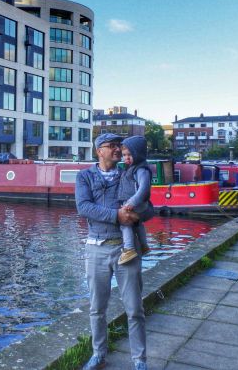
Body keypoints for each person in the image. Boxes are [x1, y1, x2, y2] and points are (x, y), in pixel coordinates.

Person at [75, 133, 147, 370]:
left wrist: (137, 216)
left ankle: (140, 361)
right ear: (99, 151)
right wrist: (117, 215)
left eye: (119, 145)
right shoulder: (84, 176)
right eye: (112, 146)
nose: (118, 149)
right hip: (96, 248)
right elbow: (83, 207)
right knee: (97, 309)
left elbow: (149, 207)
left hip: (127, 249)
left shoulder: (131, 172)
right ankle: (99, 355)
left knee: (135, 309)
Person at [117, 136, 154, 265]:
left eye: (130, 155)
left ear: (138, 154)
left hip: (136, 202)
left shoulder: (141, 169)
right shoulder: (132, 167)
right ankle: (144, 245)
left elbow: (144, 188)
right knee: (138, 224)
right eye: (124, 155)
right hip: (136, 203)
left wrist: (131, 202)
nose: (126, 158)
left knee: (125, 222)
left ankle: (129, 249)